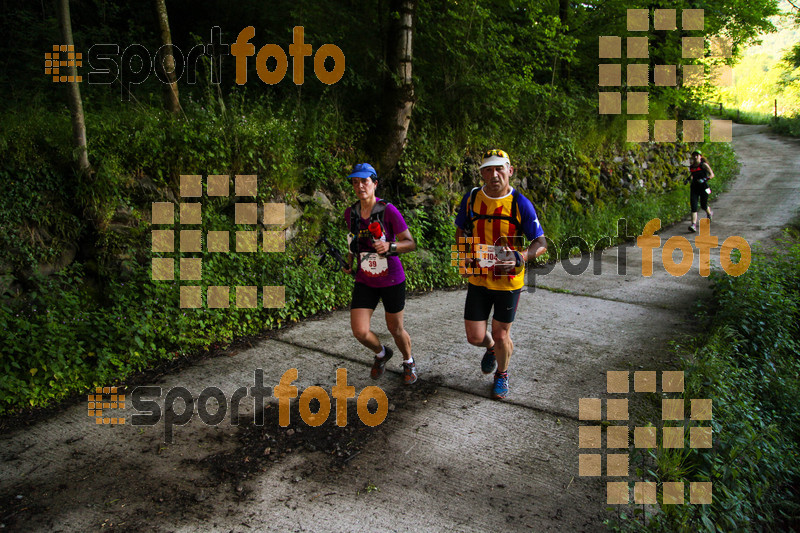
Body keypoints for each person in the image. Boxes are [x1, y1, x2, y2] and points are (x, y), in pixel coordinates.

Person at [454, 149, 547, 399]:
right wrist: (463, 257)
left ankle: (502, 374)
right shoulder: (472, 198)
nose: (494, 174)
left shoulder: (520, 204)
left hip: (508, 282)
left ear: (510, 170)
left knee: (501, 332)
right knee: (475, 337)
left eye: (499, 168)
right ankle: (492, 348)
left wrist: (520, 257)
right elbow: (461, 229)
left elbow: (541, 243)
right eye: (488, 169)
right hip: (479, 278)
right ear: (482, 173)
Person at [342, 163, 418, 384]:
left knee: (395, 329)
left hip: (391, 279)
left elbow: (410, 243)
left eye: (364, 181)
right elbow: (351, 243)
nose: (359, 186)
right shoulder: (351, 213)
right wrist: (349, 264)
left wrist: (390, 247)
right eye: (355, 182)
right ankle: (382, 354)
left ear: (374, 184)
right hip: (365, 279)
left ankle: (408, 361)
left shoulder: (388, 210)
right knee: (360, 331)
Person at [685, 150, 715, 232]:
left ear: (700, 156)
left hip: (704, 187)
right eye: (694, 155)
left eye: (697, 155)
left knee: (703, 205)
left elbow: (712, 174)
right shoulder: (691, 167)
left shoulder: (704, 165)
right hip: (694, 188)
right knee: (694, 206)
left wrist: (705, 179)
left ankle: (709, 213)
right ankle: (693, 225)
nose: (695, 157)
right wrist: (687, 180)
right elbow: (692, 175)